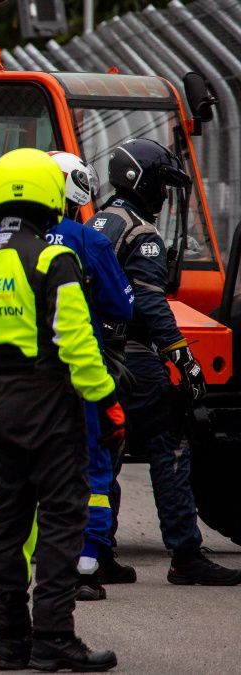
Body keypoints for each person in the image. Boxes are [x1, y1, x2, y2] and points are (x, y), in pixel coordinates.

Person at [0, 148, 120, 670]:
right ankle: (53, 639)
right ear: (51, 196)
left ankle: (10, 644)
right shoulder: (53, 258)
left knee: (5, 525)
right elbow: (76, 341)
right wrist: (106, 400)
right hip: (51, 406)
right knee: (61, 522)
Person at [88, 138, 241, 586]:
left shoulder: (97, 222)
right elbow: (152, 306)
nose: (164, 194)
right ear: (142, 181)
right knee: (170, 441)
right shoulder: (142, 233)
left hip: (97, 356)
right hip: (134, 358)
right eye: (161, 184)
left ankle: (98, 552)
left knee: (107, 454)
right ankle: (186, 554)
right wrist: (185, 360)